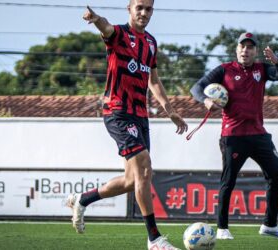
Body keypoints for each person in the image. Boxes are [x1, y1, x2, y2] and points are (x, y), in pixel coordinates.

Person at [66, 1, 187, 249]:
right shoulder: (119, 34)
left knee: (134, 179)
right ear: (129, 9)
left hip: (140, 116)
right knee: (144, 164)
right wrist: (96, 18)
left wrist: (170, 110)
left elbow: (154, 80)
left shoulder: (151, 43)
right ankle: (154, 239)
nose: (144, 13)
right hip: (117, 111)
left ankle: (82, 199)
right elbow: (106, 28)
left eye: (148, 9)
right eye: (139, 7)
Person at [190, 32, 278, 240]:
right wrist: (206, 101)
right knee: (229, 181)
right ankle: (222, 228)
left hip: (259, 134)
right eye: (242, 47)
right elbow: (196, 88)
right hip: (233, 136)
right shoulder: (224, 70)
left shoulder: (261, 70)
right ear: (237, 49)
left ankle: (270, 225)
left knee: (276, 174)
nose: (246, 50)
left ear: (255, 52)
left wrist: (277, 62)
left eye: (250, 47)